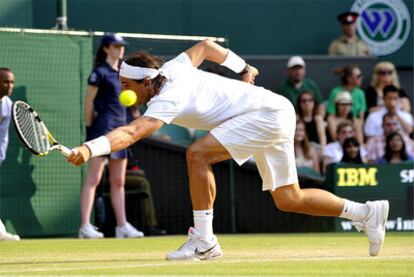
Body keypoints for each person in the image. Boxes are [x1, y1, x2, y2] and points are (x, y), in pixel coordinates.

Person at [67, 39, 389, 259]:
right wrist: (244, 67)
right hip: (274, 110)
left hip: (266, 114)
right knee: (289, 198)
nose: (124, 93)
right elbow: (207, 46)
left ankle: (205, 242)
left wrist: (90, 148)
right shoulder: (174, 68)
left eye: (126, 86)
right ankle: (366, 213)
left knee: (197, 154)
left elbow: (133, 131)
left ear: (145, 82)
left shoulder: (167, 97)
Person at [79, 33, 143, 239]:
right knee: (94, 178)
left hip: (122, 128)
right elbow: (89, 103)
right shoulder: (99, 73)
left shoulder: (124, 74)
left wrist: (136, 117)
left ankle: (122, 226)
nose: (120, 49)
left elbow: (132, 105)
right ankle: (85, 226)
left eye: (122, 46)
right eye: (116, 46)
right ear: (106, 48)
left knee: (118, 181)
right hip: (101, 128)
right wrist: (89, 130)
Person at [0, 67, 20, 241]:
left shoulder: (7, 105)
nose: (9, 85)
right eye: (5, 81)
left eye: (12, 82)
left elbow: (3, 136)